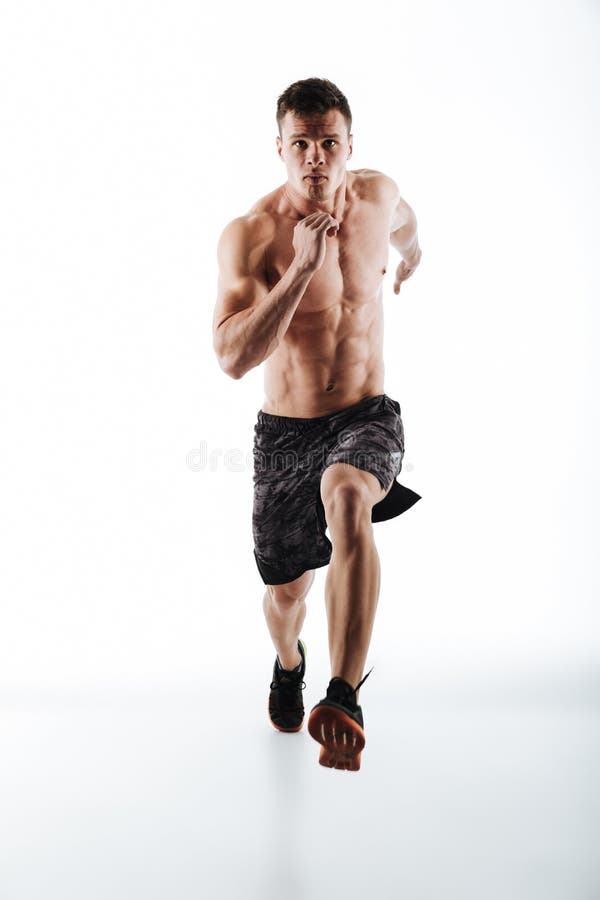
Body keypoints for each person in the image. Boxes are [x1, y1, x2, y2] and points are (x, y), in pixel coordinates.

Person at [212, 77, 422, 771]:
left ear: (349, 146)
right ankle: (289, 660)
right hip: (286, 433)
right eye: (300, 144)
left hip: (366, 415)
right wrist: (301, 268)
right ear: (279, 148)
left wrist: (413, 254)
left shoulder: (377, 195)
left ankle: (345, 695)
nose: (315, 159)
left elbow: (406, 221)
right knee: (285, 593)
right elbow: (232, 357)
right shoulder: (252, 235)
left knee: (348, 493)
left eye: (329, 143)